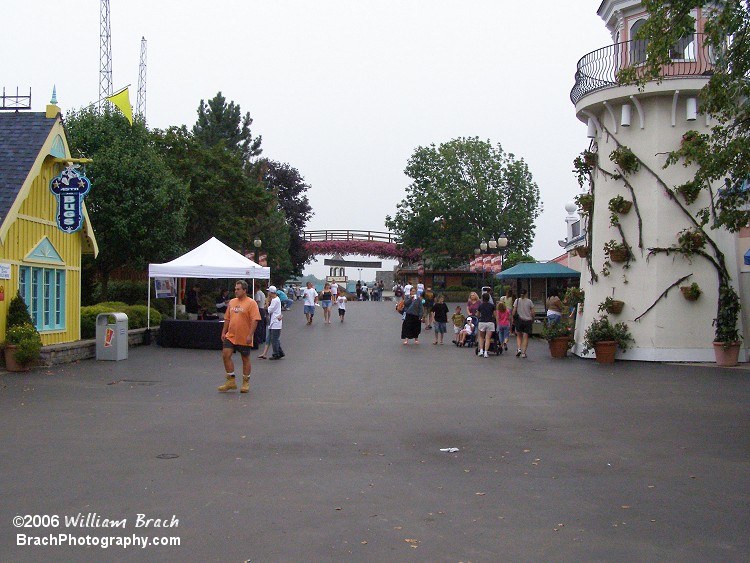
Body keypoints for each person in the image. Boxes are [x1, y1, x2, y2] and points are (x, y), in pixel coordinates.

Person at [218, 280, 261, 393]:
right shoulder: (232, 302)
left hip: (244, 336)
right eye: (235, 289)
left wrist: (250, 335)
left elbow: (255, 320)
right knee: (226, 355)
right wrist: (223, 332)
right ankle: (230, 381)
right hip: (231, 335)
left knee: (245, 358)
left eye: (238, 289)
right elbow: (227, 318)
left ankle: (245, 382)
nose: (236, 291)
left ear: (244, 290)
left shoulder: (251, 303)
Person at [513, 289, 535, 359]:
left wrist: (513, 319)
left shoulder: (517, 301)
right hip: (528, 320)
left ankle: (519, 348)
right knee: (525, 336)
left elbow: (514, 311)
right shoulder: (529, 301)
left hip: (519, 320)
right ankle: (523, 353)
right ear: (526, 294)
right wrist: (533, 319)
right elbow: (533, 312)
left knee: (519, 335)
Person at [266, 286, 285, 360]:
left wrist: (267, 304)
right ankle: (279, 352)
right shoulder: (277, 299)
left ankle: (276, 353)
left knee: (274, 339)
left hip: (275, 322)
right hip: (275, 321)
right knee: (275, 338)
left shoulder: (275, 300)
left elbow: (270, 310)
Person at [477, 292, 496, 358]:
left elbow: (478, 315)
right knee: (488, 338)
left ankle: (481, 350)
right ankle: (486, 352)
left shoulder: (480, 306)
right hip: (490, 322)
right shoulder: (492, 306)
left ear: (482, 298)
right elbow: (494, 315)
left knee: (481, 337)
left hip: (482, 322)